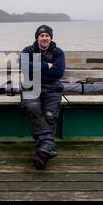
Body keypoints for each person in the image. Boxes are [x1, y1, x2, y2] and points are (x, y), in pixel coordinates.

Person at [20, 24, 66, 169]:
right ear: (37, 38)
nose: (44, 38)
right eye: (42, 36)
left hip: (52, 89)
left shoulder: (58, 52)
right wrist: (47, 66)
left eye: (47, 36)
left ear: (50, 38)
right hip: (31, 86)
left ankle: (43, 153)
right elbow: (25, 68)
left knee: (50, 115)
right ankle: (48, 146)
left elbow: (58, 72)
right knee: (32, 107)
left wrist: (36, 69)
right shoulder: (28, 50)